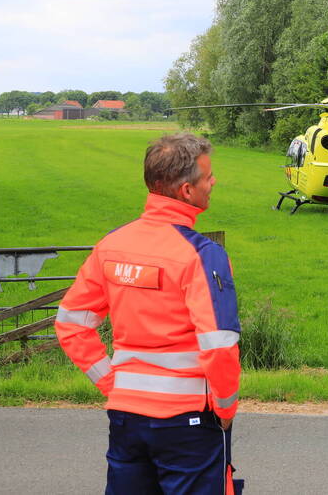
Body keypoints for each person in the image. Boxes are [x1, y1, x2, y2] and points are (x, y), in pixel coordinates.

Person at [55, 132, 240, 495]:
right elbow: (219, 345)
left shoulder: (112, 245)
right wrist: (225, 407)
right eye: (208, 176)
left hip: (126, 417)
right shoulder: (202, 254)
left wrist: (113, 382)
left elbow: (71, 324)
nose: (214, 181)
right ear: (187, 191)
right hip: (189, 421)